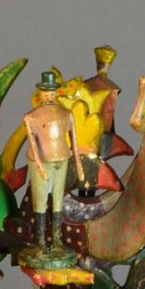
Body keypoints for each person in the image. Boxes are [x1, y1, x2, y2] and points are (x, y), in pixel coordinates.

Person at [21, 70, 84, 267]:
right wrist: (39, 165)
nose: (49, 96)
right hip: (41, 161)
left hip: (61, 159)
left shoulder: (66, 114)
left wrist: (78, 164)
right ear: (40, 94)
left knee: (58, 199)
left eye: (52, 92)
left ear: (56, 93)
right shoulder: (31, 117)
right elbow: (32, 144)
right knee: (40, 201)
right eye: (45, 92)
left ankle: (57, 240)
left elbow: (74, 143)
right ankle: (40, 241)